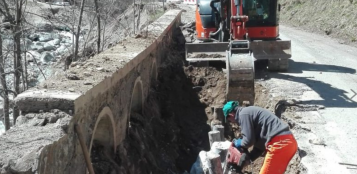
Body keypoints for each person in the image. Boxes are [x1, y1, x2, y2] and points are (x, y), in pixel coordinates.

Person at [223, 101, 298, 174]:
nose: (232, 122)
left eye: (229, 120)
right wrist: (249, 158)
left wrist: (237, 142)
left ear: (231, 114)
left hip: (280, 144)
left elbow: (248, 141)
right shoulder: (250, 113)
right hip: (289, 143)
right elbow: (260, 146)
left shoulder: (243, 114)